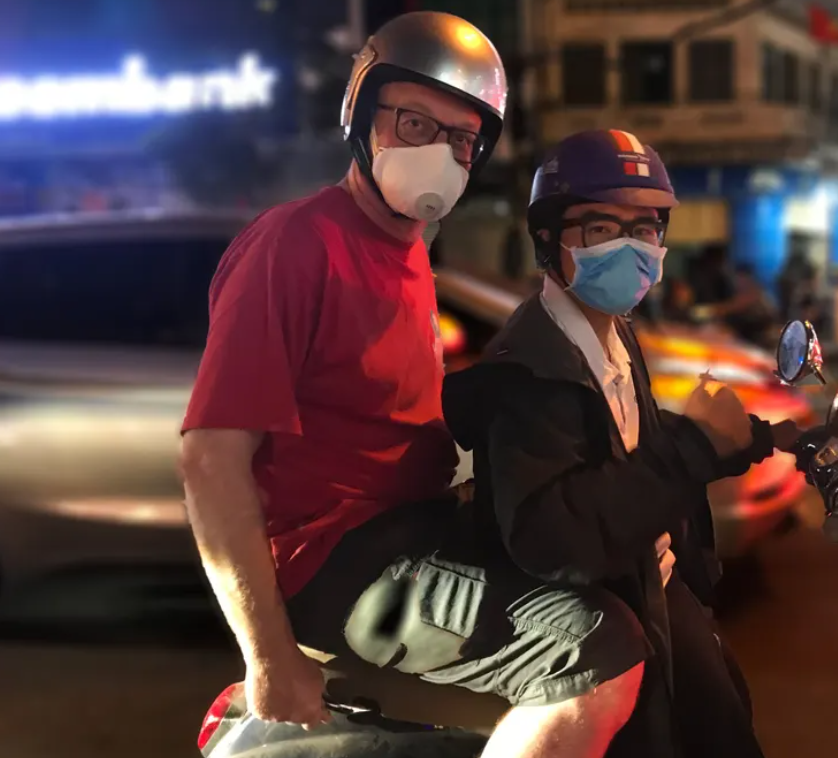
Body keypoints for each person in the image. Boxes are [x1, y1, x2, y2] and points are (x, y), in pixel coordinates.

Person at [179, 13, 649, 758]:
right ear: (362, 117)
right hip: (335, 558)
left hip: (413, 526)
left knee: (614, 574)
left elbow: (394, 419)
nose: (442, 152)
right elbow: (210, 460)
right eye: (415, 124)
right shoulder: (294, 245)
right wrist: (266, 655)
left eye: (463, 139)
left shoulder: (407, 256)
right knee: (593, 653)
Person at [442, 129, 798, 757]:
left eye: (644, 228)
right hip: (612, 616)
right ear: (549, 241)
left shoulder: (612, 332)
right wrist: (693, 446)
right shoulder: (529, 372)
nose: (630, 248)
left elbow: (632, 448)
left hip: (655, 583)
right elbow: (553, 537)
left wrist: (758, 440)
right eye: (601, 229)